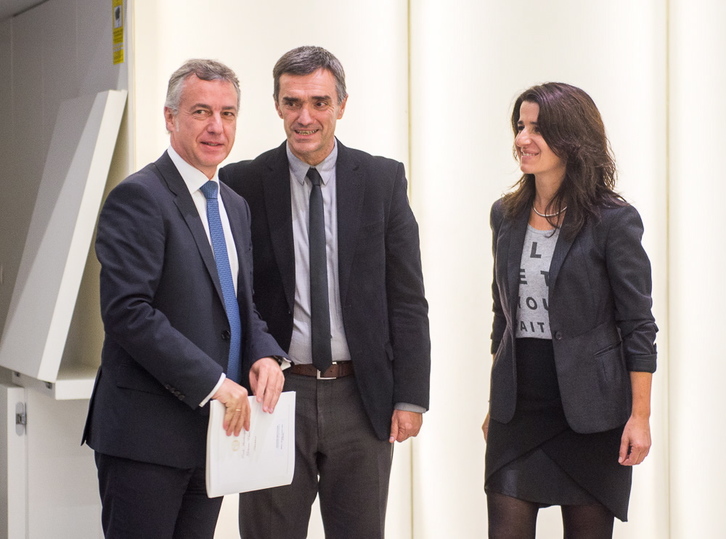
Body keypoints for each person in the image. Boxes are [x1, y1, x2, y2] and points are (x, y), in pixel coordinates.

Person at [221, 46, 431, 539]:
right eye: (292, 103)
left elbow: (407, 297)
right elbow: (234, 295)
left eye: (319, 102)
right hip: (275, 395)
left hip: (363, 397)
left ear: (341, 104)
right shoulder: (242, 182)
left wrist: (411, 396)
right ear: (276, 105)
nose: (305, 117)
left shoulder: (382, 179)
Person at [82, 59, 287, 538]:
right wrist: (215, 382)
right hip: (145, 440)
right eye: (201, 111)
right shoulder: (139, 197)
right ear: (171, 118)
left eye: (229, 113)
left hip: (213, 438)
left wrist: (264, 354)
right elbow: (128, 314)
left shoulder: (233, 205)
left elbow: (239, 304)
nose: (217, 126)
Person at [482, 82, 657, 538]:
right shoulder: (506, 214)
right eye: (521, 126)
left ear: (573, 139)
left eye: (538, 129)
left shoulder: (613, 221)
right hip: (517, 412)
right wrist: (495, 401)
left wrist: (640, 417)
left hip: (591, 414)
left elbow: (638, 325)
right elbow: (503, 316)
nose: (523, 138)